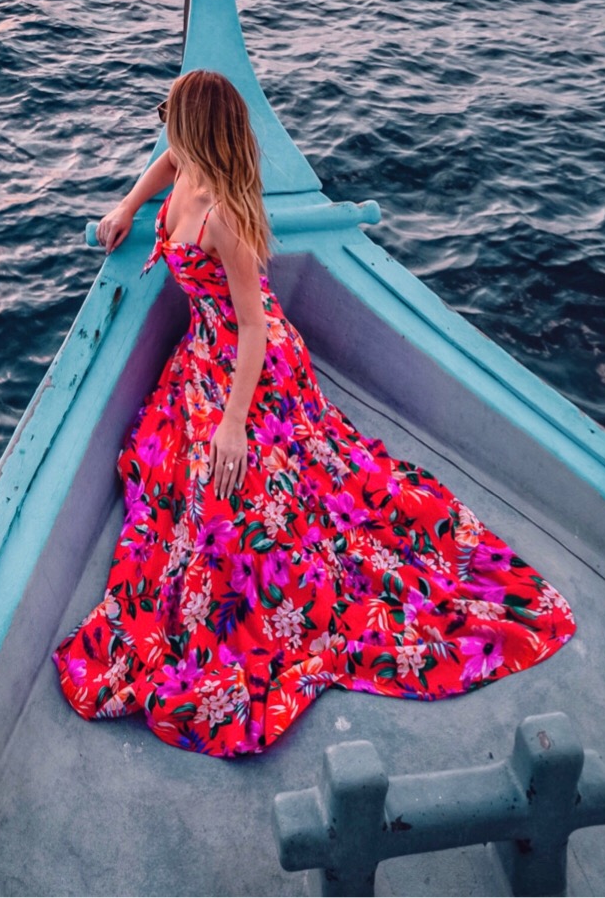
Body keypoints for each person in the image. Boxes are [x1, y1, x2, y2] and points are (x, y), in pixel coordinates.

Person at [54, 68, 575, 758]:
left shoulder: (226, 223)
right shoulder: (188, 166)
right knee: (160, 469)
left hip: (248, 365)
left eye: (169, 117)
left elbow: (252, 328)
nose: (165, 134)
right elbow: (168, 161)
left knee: (237, 514)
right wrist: (125, 206)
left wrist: (234, 420)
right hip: (202, 358)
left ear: (196, 131)